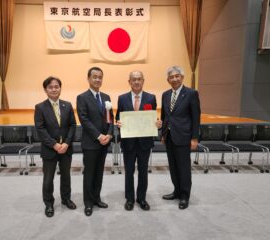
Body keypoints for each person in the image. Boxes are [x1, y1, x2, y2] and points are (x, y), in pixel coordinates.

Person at [116, 71, 162, 211]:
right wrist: (118, 123)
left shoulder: (151, 98)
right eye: (134, 79)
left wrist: (157, 124)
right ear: (129, 81)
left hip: (144, 143)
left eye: (139, 79)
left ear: (143, 81)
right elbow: (118, 117)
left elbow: (153, 118)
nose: (136, 82)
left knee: (143, 171)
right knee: (129, 171)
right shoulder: (122, 98)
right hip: (128, 142)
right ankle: (129, 199)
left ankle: (141, 198)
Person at [34, 76, 77, 218]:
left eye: (57, 86)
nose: (54, 89)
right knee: (48, 179)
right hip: (49, 149)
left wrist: (66, 143)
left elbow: (72, 126)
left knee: (66, 177)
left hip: (66, 148)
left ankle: (66, 199)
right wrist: (54, 144)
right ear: (45, 90)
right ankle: (49, 204)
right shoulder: (40, 107)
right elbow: (40, 129)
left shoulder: (68, 105)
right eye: (51, 87)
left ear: (60, 88)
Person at [161, 66, 201, 210]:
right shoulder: (165, 95)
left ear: (182, 77)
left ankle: (184, 196)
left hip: (184, 137)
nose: (174, 79)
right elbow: (165, 117)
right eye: (171, 77)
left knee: (183, 168)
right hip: (170, 137)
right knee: (173, 167)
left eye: (177, 76)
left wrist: (195, 138)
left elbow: (196, 117)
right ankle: (176, 191)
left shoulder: (191, 94)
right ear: (168, 80)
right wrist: (163, 134)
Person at [76, 67, 114, 217]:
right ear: (88, 78)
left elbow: (110, 118)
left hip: (105, 142)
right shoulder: (82, 97)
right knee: (89, 173)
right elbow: (84, 119)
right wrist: (99, 136)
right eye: (95, 77)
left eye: (100, 77)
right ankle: (88, 203)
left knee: (99, 173)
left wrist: (110, 134)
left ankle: (97, 198)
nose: (98, 80)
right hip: (91, 143)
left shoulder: (106, 97)